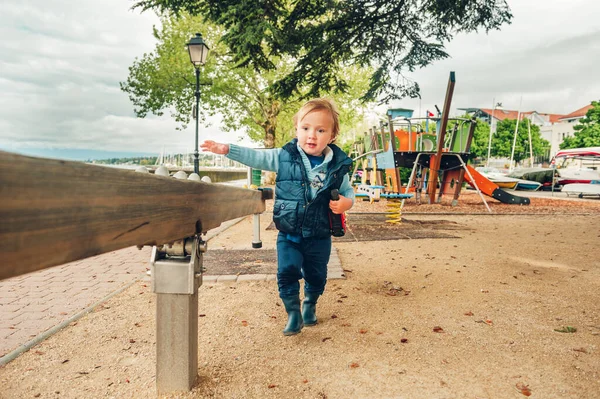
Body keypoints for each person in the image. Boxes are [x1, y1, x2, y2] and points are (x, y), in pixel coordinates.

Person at [200, 98, 355, 336]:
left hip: (320, 233)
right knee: (287, 270)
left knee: (317, 274)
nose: (311, 135)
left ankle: (310, 304)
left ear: (332, 136)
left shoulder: (337, 165)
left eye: (320, 130)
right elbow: (256, 157)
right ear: (296, 130)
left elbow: (347, 193)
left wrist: (346, 203)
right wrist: (227, 149)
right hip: (289, 231)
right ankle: (293, 312)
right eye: (305, 128)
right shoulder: (284, 156)